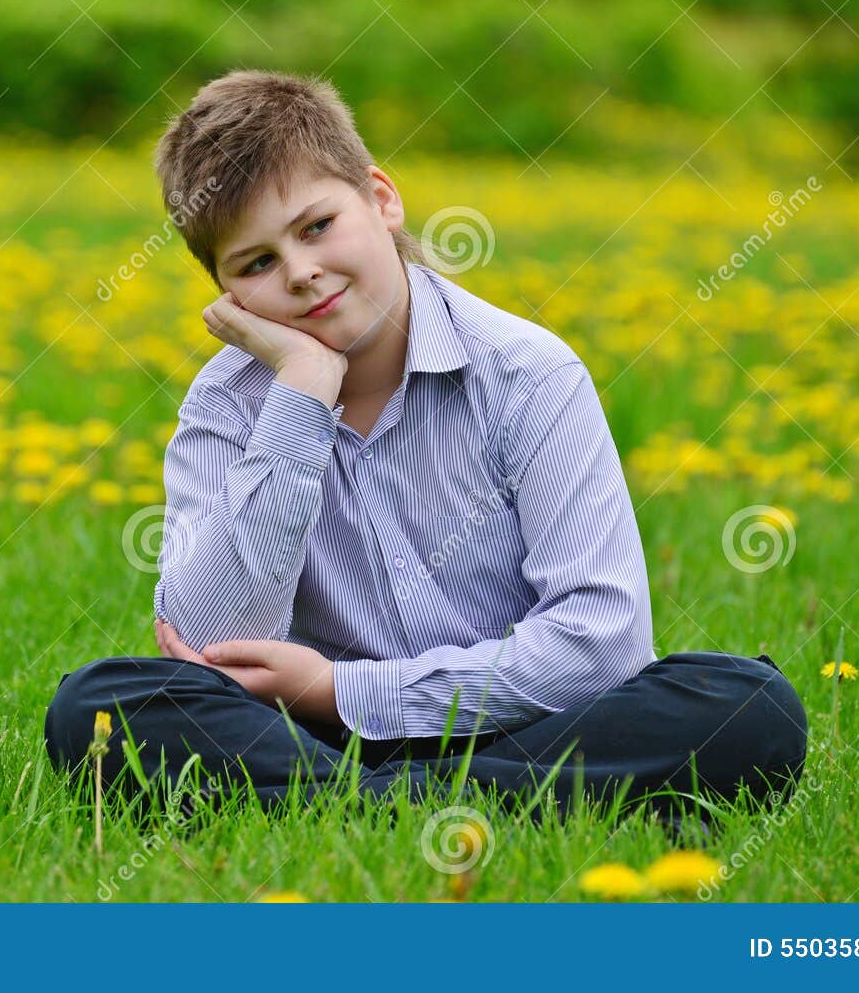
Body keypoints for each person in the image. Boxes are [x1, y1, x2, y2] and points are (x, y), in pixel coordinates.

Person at [44, 69, 806, 828]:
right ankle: (517, 807)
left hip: (521, 724)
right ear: (229, 296)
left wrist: (343, 691)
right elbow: (205, 645)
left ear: (380, 198)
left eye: (316, 227)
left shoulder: (528, 373)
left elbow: (602, 643)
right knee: (97, 708)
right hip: (309, 740)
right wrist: (303, 392)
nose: (303, 274)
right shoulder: (226, 404)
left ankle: (356, 812)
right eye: (258, 263)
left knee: (747, 706)